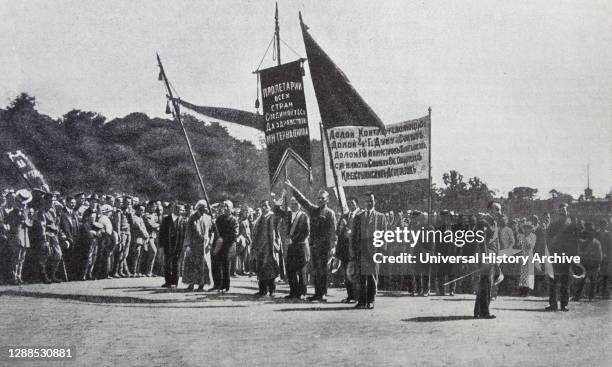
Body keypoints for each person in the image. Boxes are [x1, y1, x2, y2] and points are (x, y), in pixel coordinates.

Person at [285, 179, 336, 302]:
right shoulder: (314, 210)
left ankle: (322, 294)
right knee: (315, 271)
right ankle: (317, 294)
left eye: (322, 199)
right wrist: (292, 188)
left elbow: (333, 232)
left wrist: (332, 247)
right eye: (318, 198)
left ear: (327, 200)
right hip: (313, 246)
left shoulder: (330, 213)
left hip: (324, 247)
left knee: (322, 271)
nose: (320, 200)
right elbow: (303, 200)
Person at [351, 192, 387, 309]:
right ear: (364, 202)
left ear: (374, 201)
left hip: (374, 251)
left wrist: (381, 251)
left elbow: (384, 236)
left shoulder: (380, 217)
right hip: (361, 251)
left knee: (372, 277)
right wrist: (354, 251)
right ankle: (361, 301)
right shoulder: (358, 217)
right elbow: (354, 236)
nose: (369, 203)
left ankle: (371, 300)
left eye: (371, 200)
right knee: (361, 277)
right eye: (367, 201)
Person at [274, 196, 310, 299]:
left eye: (296, 204)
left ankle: (302, 293)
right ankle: (293, 292)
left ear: (300, 205)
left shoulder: (304, 216)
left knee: (301, 271)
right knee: (291, 270)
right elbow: (276, 210)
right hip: (291, 247)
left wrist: (293, 239)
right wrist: (280, 198)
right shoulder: (288, 214)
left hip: (301, 246)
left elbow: (306, 232)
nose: (294, 206)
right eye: (292, 204)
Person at [546, 203, 577, 312]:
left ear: (567, 212)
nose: (562, 213)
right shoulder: (553, 225)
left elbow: (576, 240)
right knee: (553, 281)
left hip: (567, 257)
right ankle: (553, 304)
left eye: (564, 211)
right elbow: (548, 240)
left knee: (566, 281)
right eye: (561, 211)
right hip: (555, 256)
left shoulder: (573, 225)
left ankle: (564, 305)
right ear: (558, 213)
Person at [183, 200, 214, 291]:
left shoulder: (208, 218)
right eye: (203, 208)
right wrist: (187, 244)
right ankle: (191, 283)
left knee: (204, 265)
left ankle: (202, 284)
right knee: (192, 264)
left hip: (205, 245)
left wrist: (210, 243)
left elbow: (212, 232)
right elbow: (188, 232)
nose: (205, 209)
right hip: (194, 245)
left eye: (205, 208)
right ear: (199, 208)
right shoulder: (192, 218)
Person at [252, 199, 280, 296]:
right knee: (261, 269)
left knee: (270, 269)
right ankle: (262, 290)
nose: (264, 207)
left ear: (269, 206)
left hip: (268, 247)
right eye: (262, 206)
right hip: (260, 247)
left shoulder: (271, 217)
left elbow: (272, 233)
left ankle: (272, 290)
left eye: (266, 205)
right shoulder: (260, 218)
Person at [336, 196, 361, 303]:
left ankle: (357, 296)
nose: (351, 205)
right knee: (348, 273)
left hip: (356, 249)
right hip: (346, 249)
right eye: (349, 203)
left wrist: (352, 233)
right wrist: (342, 228)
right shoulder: (345, 215)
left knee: (356, 273)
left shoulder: (361, 215)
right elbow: (338, 231)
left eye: (352, 203)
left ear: (356, 204)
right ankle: (350, 295)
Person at [209, 200, 239, 292]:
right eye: (224, 206)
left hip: (227, 246)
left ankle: (225, 285)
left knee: (225, 265)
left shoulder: (234, 220)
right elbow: (213, 230)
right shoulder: (219, 218)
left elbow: (235, 234)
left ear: (231, 209)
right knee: (215, 264)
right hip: (218, 245)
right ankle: (216, 284)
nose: (225, 208)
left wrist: (223, 239)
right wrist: (213, 224)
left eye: (227, 207)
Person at [5, 189, 33, 285]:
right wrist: (21, 218)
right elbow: (11, 224)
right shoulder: (13, 213)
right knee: (15, 258)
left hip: (25, 238)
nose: (25, 205)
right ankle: (13, 277)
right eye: (23, 203)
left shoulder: (27, 212)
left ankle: (19, 276)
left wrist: (27, 218)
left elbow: (30, 224)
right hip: (16, 237)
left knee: (22, 259)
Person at [35, 192, 63, 283]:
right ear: (45, 201)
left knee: (58, 254)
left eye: (53, 201)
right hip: (46, 235)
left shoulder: (52, 211)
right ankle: (44, 276)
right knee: (45, 255)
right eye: (50, 201)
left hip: (53, 235)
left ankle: (52, 275)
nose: (51, 203)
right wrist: (44, 240)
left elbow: (55, 223)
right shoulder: (41, 212)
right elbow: (42, 226)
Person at [473, 216, 497, 319]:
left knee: (485, 284)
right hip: (485, 257)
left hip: (487, 256)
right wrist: (486, 258)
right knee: (486, 285)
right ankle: (483, 312)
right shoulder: (483, 223)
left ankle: (478, 311)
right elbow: (482, 243)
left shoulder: (487, 222)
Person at [573, 222, 602, 302]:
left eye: (591, 233)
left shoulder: (597, 243)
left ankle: (591, 297)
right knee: (581, 281)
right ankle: (577, 296)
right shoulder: (583, 243)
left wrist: (596, 264)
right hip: (585, 265)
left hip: (594, 265)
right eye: (588, 233)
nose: (589, 235)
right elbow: (579, 254)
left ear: (593, 233)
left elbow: (599, 257)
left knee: (593, 281)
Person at [159, 203, 186, 288]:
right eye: (177, 208)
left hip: (178, 245)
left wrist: (184, 246)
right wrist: (161, 246)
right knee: (167, 263)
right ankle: (167, 281)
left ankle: (175, 282)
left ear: (183, 211)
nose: (179, 210)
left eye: (181, 209)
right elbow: (161, 233)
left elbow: (185, 235)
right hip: (168, 244)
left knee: (176, 264)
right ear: (173, 209)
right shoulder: (166, 219)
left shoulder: (184, 221)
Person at [434, 210, 456, 296]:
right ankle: (441, 290)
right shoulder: (438, 228)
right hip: (441, 252)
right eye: (444, 217)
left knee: (452, 272)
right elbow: (436, 241)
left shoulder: (454, 228)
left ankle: (452, 290)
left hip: (452, 252)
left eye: (448, 217)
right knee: (441, 272)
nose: (447, 219)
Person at [516, 220, 537, 297]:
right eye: (525, 228)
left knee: (528, 273)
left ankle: (527, 290)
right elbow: (518, 245)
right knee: (522, 273)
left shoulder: (533, 236)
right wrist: (521, 239)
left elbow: (530, 246)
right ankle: (522, 289)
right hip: (523, 255)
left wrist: (526, 238)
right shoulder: (521, 236)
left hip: (529, 255)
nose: (526, 229)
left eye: (528, 228)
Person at [130, 205, 150, 277]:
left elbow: (144, 228)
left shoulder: (141, 218)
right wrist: (146, 236)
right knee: (136, 255)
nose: (143, 212)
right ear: (137, 210)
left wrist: (147, 236)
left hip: (142, 238)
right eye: (141, 210)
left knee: (140, 256)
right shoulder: (134, 217)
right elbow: (139, 228)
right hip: (137, 238)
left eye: (143, 210)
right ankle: (133, 271)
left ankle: (138, 271)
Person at [143, 201, 160, 277]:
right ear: (149, 206)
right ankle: (147, 271)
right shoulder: (147, 215)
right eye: (153, 206)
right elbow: (152, 225)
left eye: (155, 206)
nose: (154, 208)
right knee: (153, 251)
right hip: (147, 236)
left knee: (153, 253)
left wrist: (158, 226)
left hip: (154, 236)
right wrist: (159, 225)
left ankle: (150, 271)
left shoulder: (155, 215)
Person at [597, 219, 611, 298]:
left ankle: (604, 292)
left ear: (606, 225)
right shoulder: (596, 233)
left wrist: (607, 254)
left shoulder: (608, 234)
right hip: (598, 256)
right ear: (600, 225)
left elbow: (610, 245)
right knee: (598, 274)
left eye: (604, 224)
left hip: (606, 256)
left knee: (605, 275)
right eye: (602, 224)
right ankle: (597, 291)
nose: (603, 226)